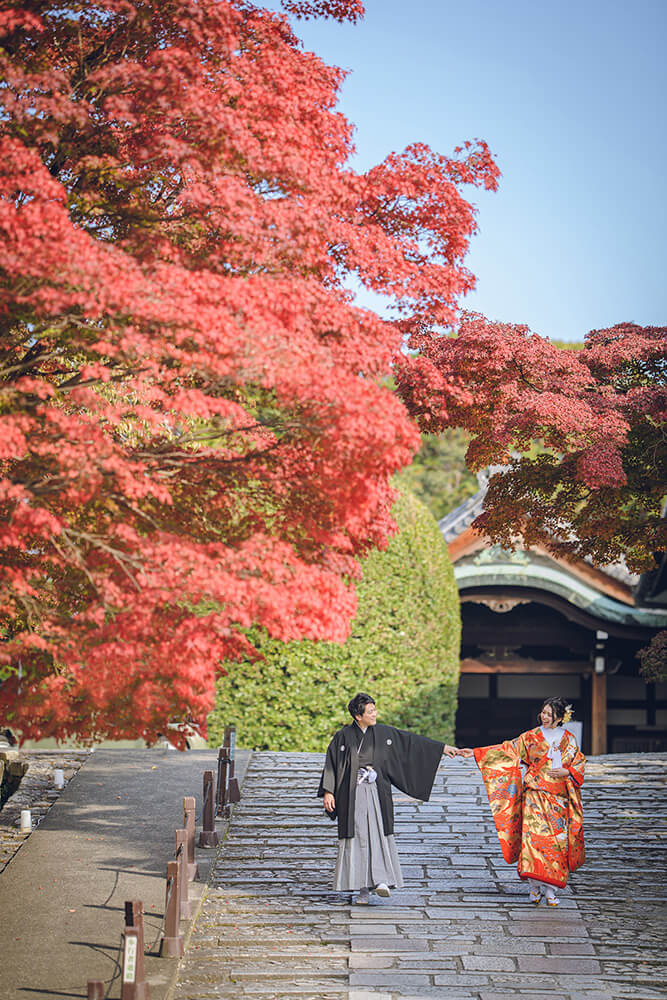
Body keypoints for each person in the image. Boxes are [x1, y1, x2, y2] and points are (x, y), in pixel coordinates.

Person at [318, 692, 458, 904]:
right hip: (352, 794)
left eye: (375, 710)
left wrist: (444, 749)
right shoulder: (343, 736)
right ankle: (362, 890)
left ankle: (381, 880)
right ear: (358, 716)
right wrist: (329, 791)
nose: (375, 714)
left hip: (375, 791)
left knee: (377, 835)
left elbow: (411, 742)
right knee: (358, 838)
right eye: (370, 711)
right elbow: (332, 762)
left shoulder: (383, 733)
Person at [459, 696, 585, 906]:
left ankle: (551, 890)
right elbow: (507, 750)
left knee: (556, 845)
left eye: (549, 714)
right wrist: (475, 753)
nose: (544, 717)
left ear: (559, 718)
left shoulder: (569, 739)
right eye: (543, 713)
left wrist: (568, 770)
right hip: (534, 795)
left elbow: (579, 762)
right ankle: (534, 887)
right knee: (533, 842)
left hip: (558, 798)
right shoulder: (531, 737)